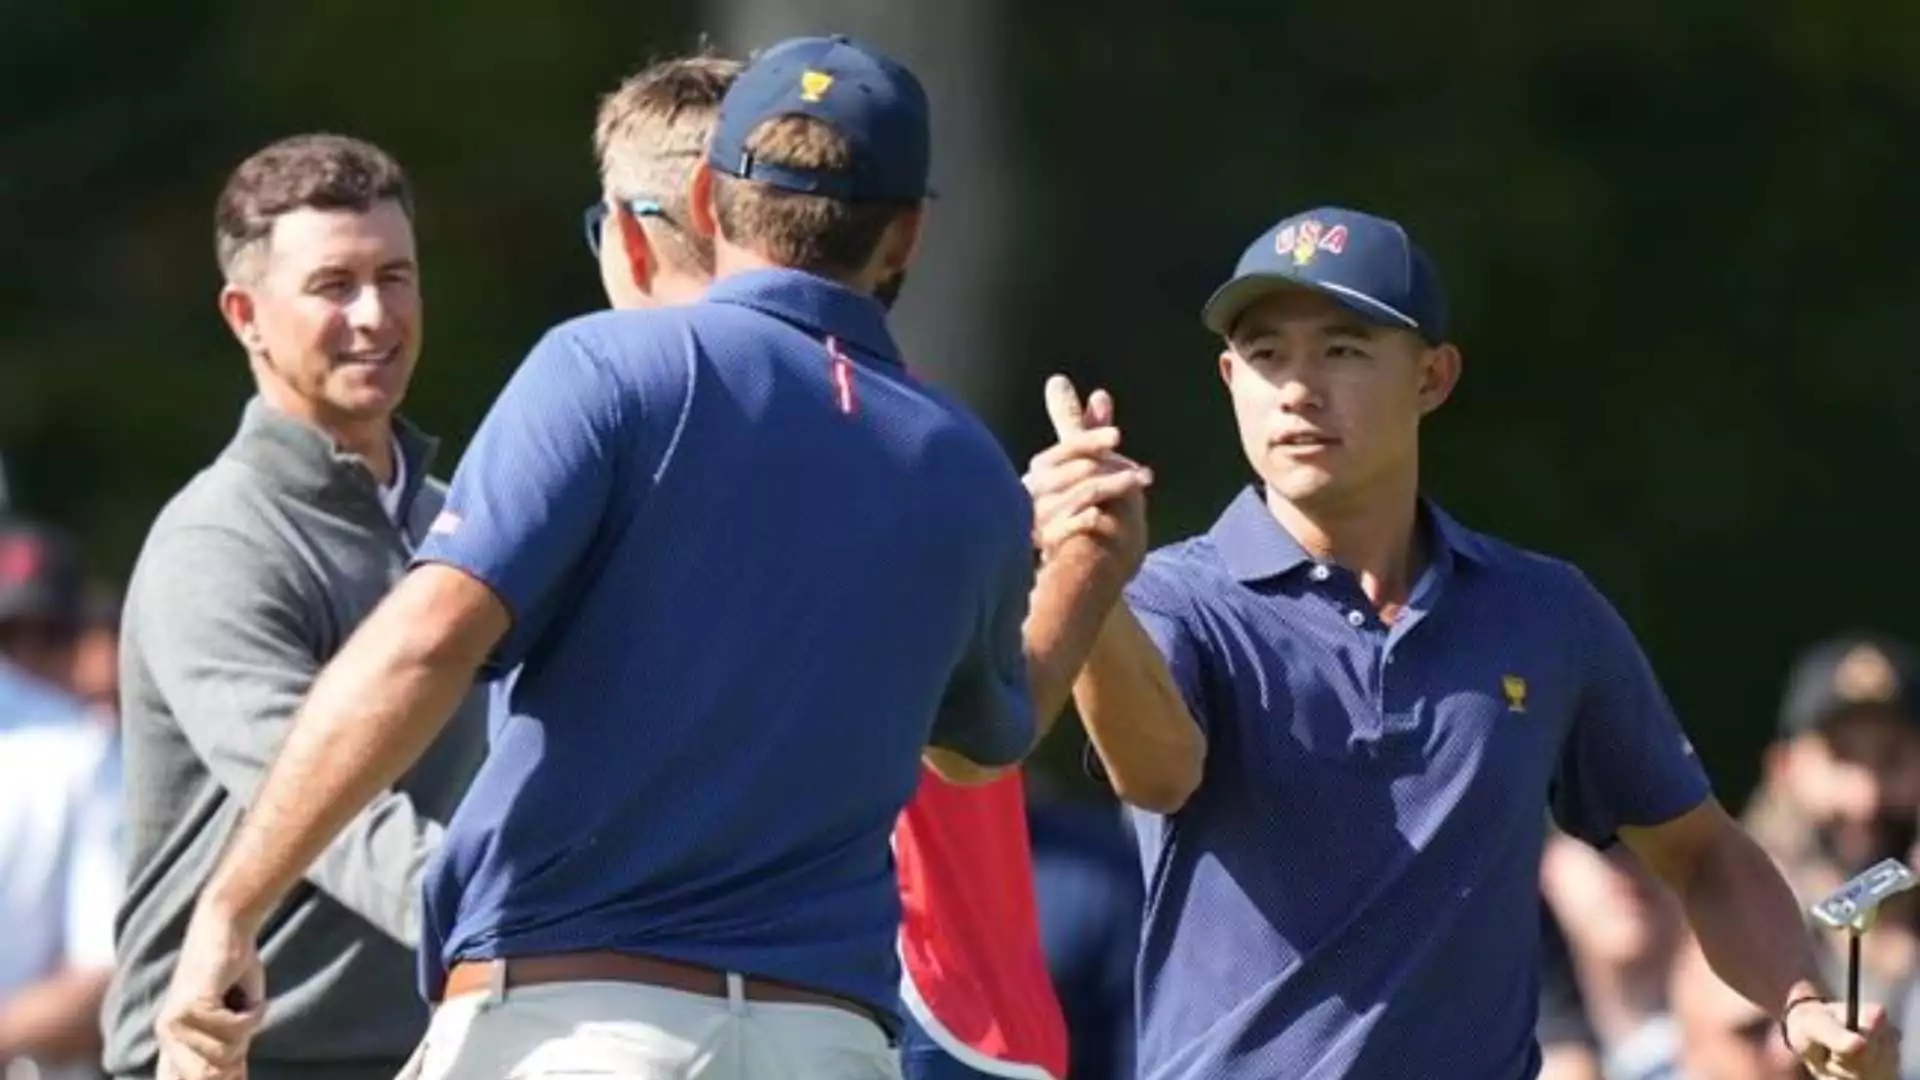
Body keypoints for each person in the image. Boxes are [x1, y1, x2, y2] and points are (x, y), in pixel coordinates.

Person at [156, 34, 1143, 1080]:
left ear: (709, 207)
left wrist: (232, 904)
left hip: (575, 1025)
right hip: (831, 1041)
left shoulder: (609, 366)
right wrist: (1082, 575)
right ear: (906, 235)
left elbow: (423, 645)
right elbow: (979, 749)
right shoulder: (963, 462)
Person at [1021, 205, 1902, 1079]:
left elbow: (1701, 851)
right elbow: (1159, 773)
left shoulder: (1543, 611)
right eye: (1265, 354)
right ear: (1229, 378)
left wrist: (1799, 1001)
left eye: (1343, 349)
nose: (1297, 387)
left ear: (1432, 378)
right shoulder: (1170, 598)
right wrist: (1091, 585)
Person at [586, 50, 1071, 1080]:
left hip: (850, 999)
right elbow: (983, 730)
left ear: (656, 226)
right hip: (964, 999)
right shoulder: (911, 420)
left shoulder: (673, 433)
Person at [104, 133, 491, 1080]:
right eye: (334, 285)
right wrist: (508, 921)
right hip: (235, 1057)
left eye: (395, 276)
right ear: (246, 315)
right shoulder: (219, 542)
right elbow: (323, 799)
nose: (376, 314)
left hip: (437, 1044)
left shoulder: (463, 522)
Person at [1743, 634, 1920, 1079]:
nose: (1867, 799)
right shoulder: (1745, 925)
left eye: (1893, 758)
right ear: (1784, 769)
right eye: (1841, 758)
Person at [0, 517, 118, 1080]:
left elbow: (105, 973)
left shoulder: (84, 750)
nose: (25, 656)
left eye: (48, 636)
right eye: (7, 636)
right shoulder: (82, 747)